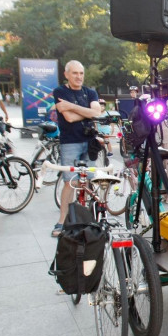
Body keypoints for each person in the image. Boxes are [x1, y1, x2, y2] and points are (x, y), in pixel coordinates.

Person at [52, 60, 101, 237]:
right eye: (74, 73)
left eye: (81, 73)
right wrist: (85, 111)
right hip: (70, 142)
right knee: (70, 183)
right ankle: (62, 220)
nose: (79, 77)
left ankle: (86, 216)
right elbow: (69, 118)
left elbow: (96, 113)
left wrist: (72, 106)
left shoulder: (90, 92)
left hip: (89, 142)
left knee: (88, 181)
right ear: (66, 74)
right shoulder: (59, 91)